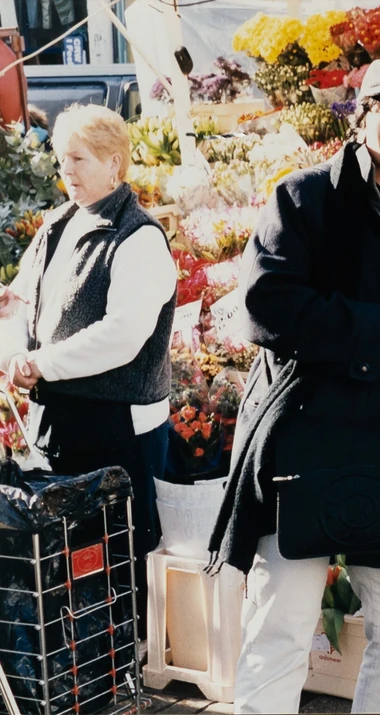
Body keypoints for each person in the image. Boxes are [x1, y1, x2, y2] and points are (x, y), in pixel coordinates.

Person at [206, 56, 380, 714]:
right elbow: (269, 307)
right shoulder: (303, 197)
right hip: (304, 441)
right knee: (280, 627)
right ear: (361, 119)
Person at [0, 103, 177, 630]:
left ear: (115, 164)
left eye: (78, 159)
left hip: (120, 425)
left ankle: (131, 660)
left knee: (122, 548)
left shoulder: (138, 236)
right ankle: (86, 661)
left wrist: (40, 363)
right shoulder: (57, 223)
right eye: (61, 161)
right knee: (70, 552)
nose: (67, 173)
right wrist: (14, 352)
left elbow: (122, 336)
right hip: (60, 419)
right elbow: (19, 302)